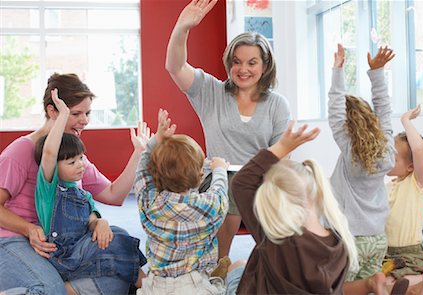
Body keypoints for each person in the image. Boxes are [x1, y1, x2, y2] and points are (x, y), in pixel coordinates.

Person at [165, 0, 291, 259]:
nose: (243, 69)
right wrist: (182, 27)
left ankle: (270, 264)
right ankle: (219, 263)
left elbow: (281, 155)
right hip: (219, 178)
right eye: (237, 62)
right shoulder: (212, 91)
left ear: (265, 66)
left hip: (261, 178)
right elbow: (175, 67)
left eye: (252, 63)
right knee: (231, 191)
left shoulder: (277, 104)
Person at [0, 73, 145, 294]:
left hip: (59, 247)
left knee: (121, 268)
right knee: (49, 289)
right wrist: (28, 229)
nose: (85, 120)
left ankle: (63, 288)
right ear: (53, 111)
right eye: (76, 113)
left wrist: (139, 154)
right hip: (13, 241)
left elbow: (113, 195)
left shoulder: (74, 157)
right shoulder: (21, 151)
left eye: (87, 113)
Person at [227, 120, 362, 294]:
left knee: (235, 266)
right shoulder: (340, 245)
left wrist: (282, 147)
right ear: (318, 192)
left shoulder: (276, 238)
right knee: (240, 265)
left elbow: (241, 183)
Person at [135, 109, 229, 295]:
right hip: (195, 286)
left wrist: (156, 140)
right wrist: (220, 169)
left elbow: (142, 170)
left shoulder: (149, 201)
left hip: (154, 287)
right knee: (236, 275)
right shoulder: (209, 205)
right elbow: (220, 192)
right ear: (200, 176)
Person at [328, 44, 396, 283]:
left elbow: (335, 111)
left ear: (347, 127)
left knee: (343, 289)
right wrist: (376, 73)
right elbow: (385, 111)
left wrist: (337, 71)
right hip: (378, 238)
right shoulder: (387, 149)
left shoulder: (350, 152)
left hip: (350, 238)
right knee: (368, 286)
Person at [383, 105, 423, 293]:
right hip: (386, 253)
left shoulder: (417, 182)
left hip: (409, 252)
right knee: (380, 282)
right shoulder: (388, 185)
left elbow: (418, 151)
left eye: (393, 157)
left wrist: (405, 121)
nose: (386, 159)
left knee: (403, 282)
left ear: (410, 167)